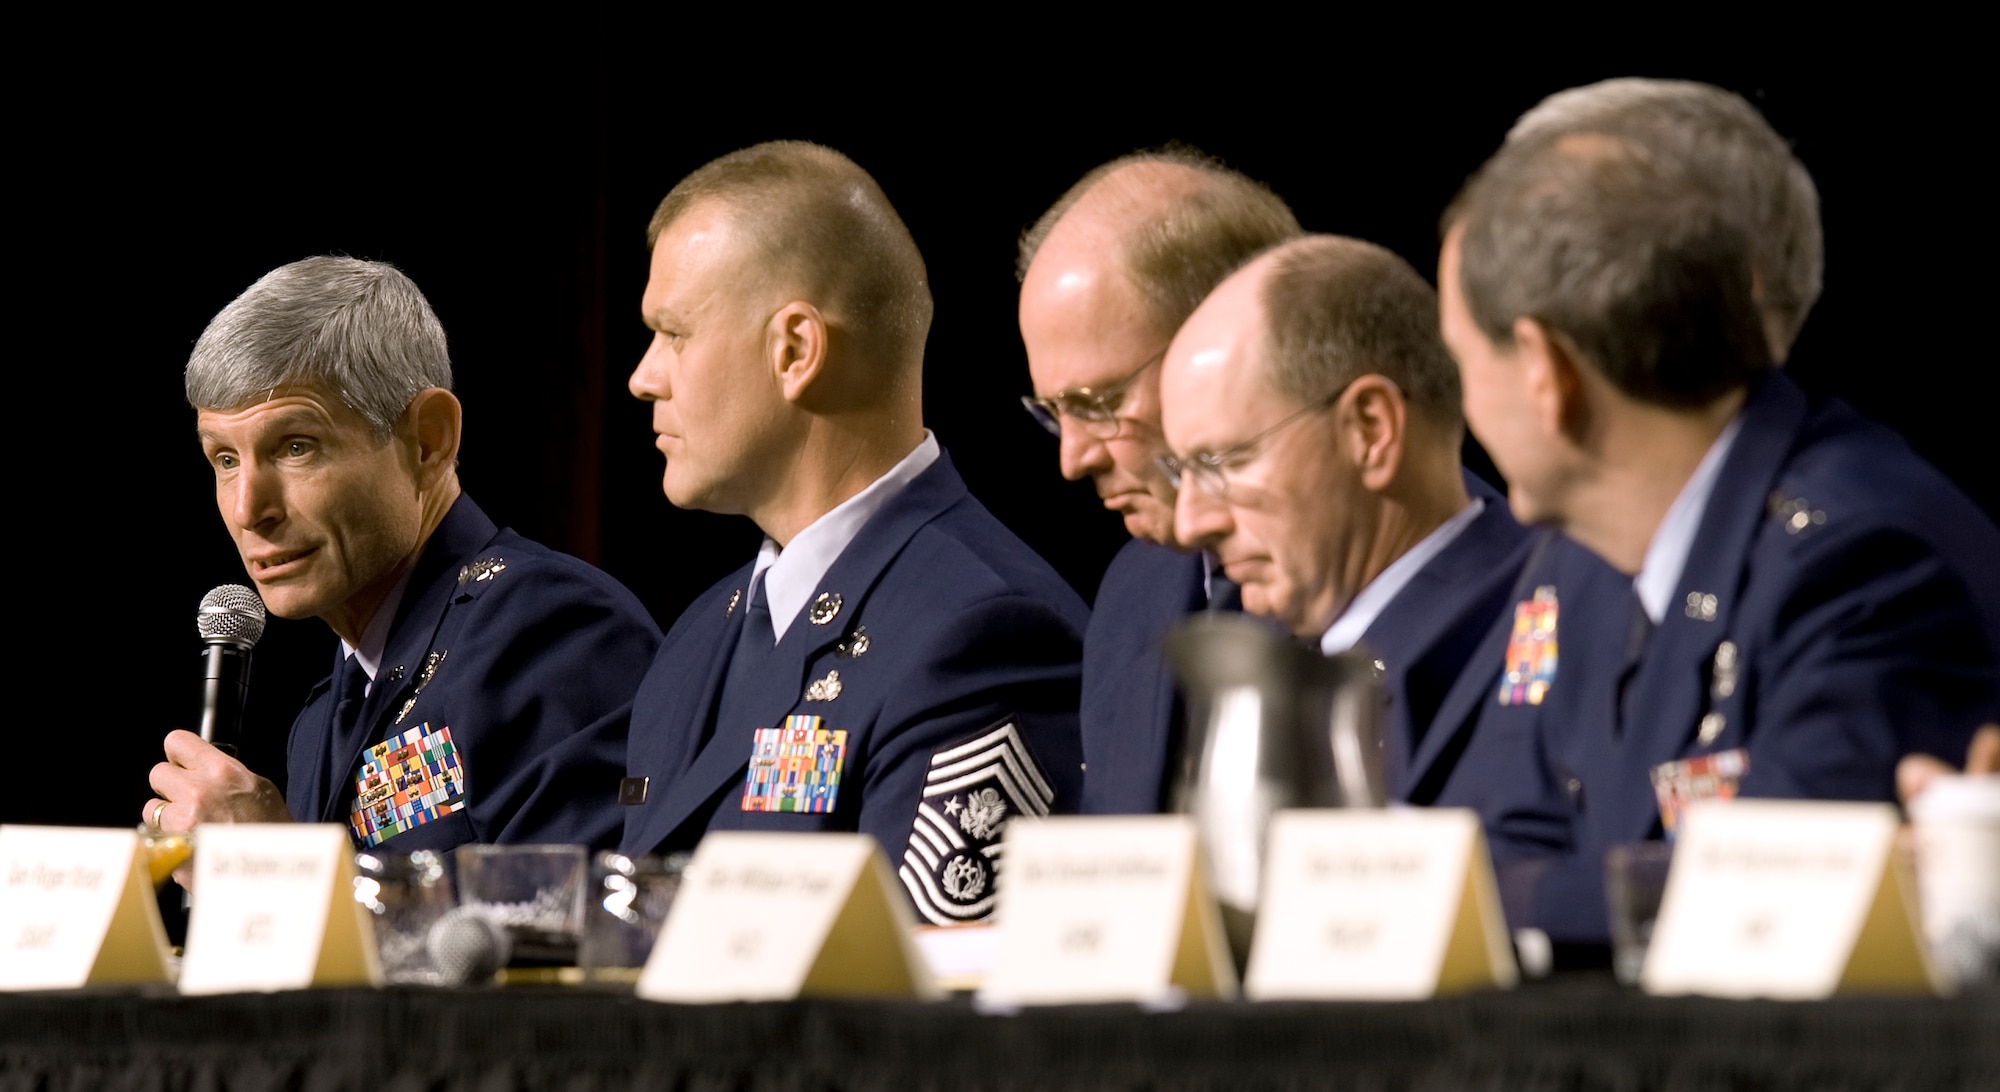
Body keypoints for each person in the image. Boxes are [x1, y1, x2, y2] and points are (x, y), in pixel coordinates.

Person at [1438, 98, 2000, 943]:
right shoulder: (1583, 562)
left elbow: (1770, 900)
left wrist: (1490, 903)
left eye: (1461, 360)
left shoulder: (1861, 562)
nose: (1462, 398)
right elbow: (1506, 831)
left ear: (1547, 373)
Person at [618, 142, 1087, 926]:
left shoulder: (984, 632)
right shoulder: (698, 638)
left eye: (674, 334)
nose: (643, 375)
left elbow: (921, 1009)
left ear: (795, 350)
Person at [147, 257, 661, 858]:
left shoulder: (555, 633)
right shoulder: (318, 724)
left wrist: (275, 865)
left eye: (295, 447)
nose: (247, 509)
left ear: (429, 440)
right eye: (225, 459)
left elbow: (574, 929)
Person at [1157, 234, 1531, 804]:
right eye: (1180, 472)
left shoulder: (1535, 633)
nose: (1189, 525)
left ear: (1371, 431)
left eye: (1222, 462)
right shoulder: (1271, 670)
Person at [1017, 148, 1300, 812]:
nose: (1073, 459)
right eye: (1055, 414)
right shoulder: (1130, 598)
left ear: (1228, 344)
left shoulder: (1458, 573)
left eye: (1100, 403)